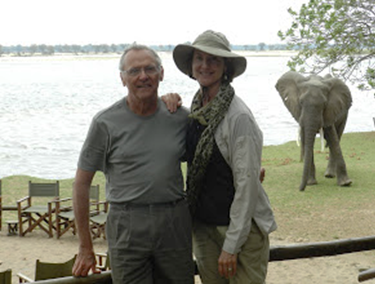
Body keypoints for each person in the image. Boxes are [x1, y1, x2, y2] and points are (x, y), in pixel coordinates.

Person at [71, 44, 194, 284]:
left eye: (150, 69)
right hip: (126, 224)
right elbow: (81, 184)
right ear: (122, 79)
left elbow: (207, 156)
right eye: (134, 71)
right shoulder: (105, 123)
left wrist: (246, 168)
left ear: (162, 74)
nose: (143, 76)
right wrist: (85, 247)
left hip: (174, 221)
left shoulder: (180, 117)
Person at [167, 30, 277, 284]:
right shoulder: (196, 111)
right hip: (204, 226)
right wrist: (166, 103)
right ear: (191, 65)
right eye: (199, 58)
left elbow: (247, 185)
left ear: (225, 66)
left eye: (213, 60)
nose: (205, 66)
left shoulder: (238, 116)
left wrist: (232, 245)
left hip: (240, 231)